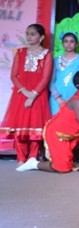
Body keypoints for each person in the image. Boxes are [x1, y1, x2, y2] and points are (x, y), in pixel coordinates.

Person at [16, 71, 79, 173]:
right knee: (62, 168)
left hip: (75, 132)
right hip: (57, 134)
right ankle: (33, 164)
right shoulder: (78, 101)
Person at [0, 24, 52, 166]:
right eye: (27, 33)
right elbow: (14, 76)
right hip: (21, 93)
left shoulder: (46, 54)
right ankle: (21, 157)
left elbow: (45, 78)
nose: (29, 37)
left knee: (35, 126)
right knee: (20, 127)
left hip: (38, 94)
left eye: (33, 34)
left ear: (41, 37)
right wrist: (25, 92)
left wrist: (33, 95)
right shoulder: (21, 52)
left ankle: (32, 157)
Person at [49, 32, 79, 115]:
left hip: (74, 97)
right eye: (66, 41)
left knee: (70, 121)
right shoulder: (56, 60)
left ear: (76, 44)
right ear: (62, 44)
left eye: (72, 41)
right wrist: (57, 98)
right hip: (56, 98)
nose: (69, 44)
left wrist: (76, 98)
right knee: (55, 121)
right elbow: (51, 82)